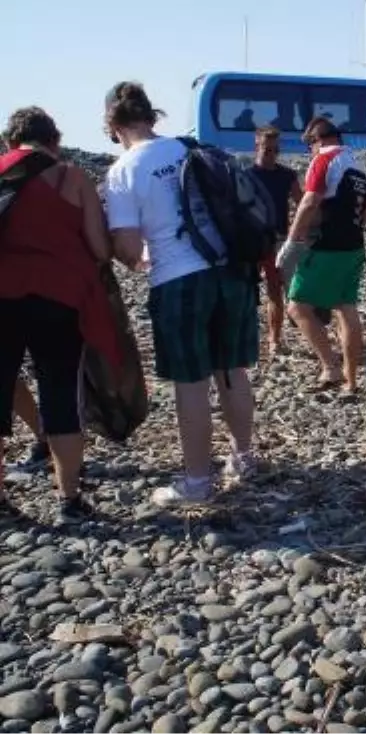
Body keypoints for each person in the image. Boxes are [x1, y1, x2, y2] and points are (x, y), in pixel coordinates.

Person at [105, 82, 261, 507]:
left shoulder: (124, 170)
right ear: (152, 118)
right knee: (231, 370)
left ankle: (196, 480)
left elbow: (128, 247)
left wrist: (130, 260)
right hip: (230, 271)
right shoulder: (191, 147)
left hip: (178, 279)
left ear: (114, 126)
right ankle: (243, 457)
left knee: (190, 382)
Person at [0, 107, 117, 523]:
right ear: (54, 139)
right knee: (60, 394)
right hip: (59, 298)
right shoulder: (72, 177)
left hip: (3, 295)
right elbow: (102, 250)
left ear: (12, 141)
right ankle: (68, 500)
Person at [277, 117, 366, 393]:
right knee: (346, 308)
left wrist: (292, 241)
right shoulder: (357, 165)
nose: (310, 151)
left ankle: (330, 367)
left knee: (297, 306)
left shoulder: (324, 160)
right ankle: (351, 381)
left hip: (327, 246)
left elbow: (309, 201)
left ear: (316, 140)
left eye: (309, 145)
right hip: (354, 245)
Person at [249, 125, 302, 354]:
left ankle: (274, 339)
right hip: (249, 240)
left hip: (276, 239)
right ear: (257, 147)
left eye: (275, 150)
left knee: (274, 290)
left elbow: (301, 204)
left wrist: (298, 233)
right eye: (267, 149)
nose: (271, 154)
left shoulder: (287, 175)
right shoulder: (245, 175)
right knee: (245, 291)